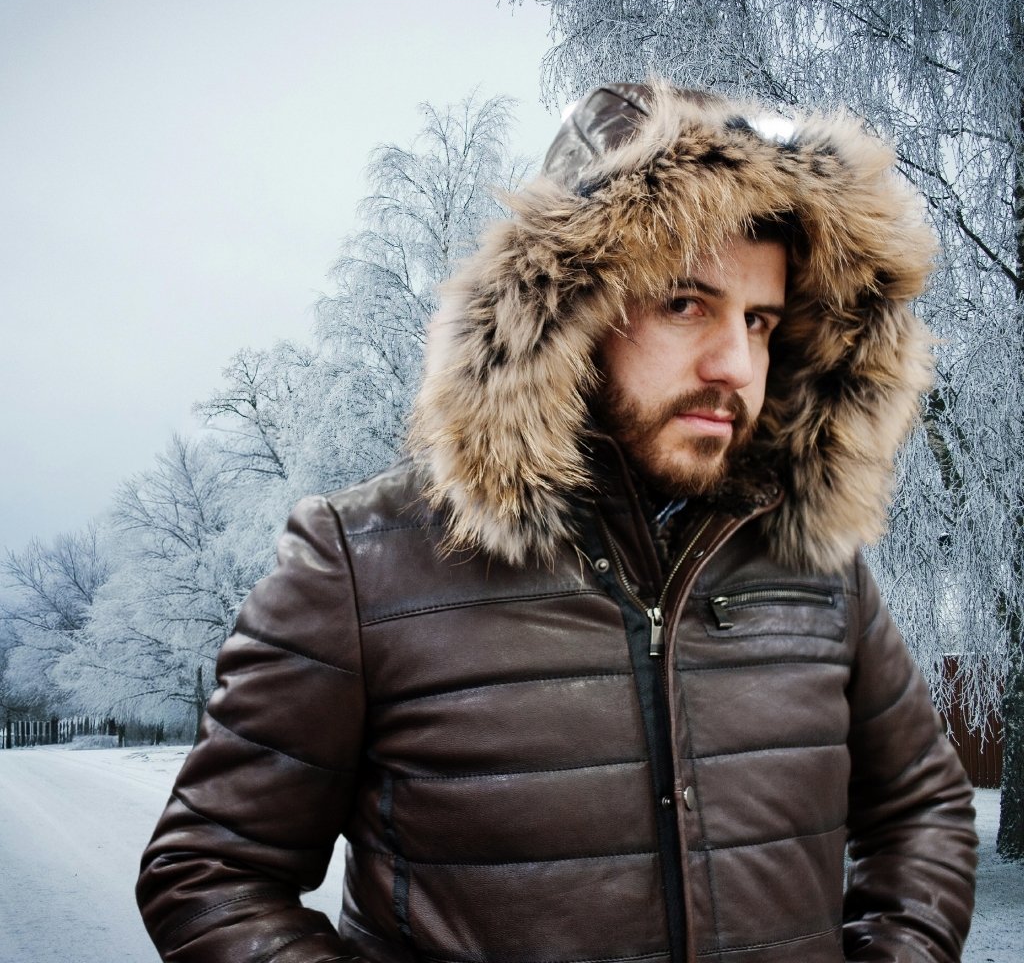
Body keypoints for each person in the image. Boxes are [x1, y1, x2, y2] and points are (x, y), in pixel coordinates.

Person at [137, 81, 977, 963]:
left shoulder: (813, 566)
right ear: (568, 313)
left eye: (760, 320)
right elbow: (208, 873)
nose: (736, 364)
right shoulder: (362, 565)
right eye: (685, 303)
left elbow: (924, 814)